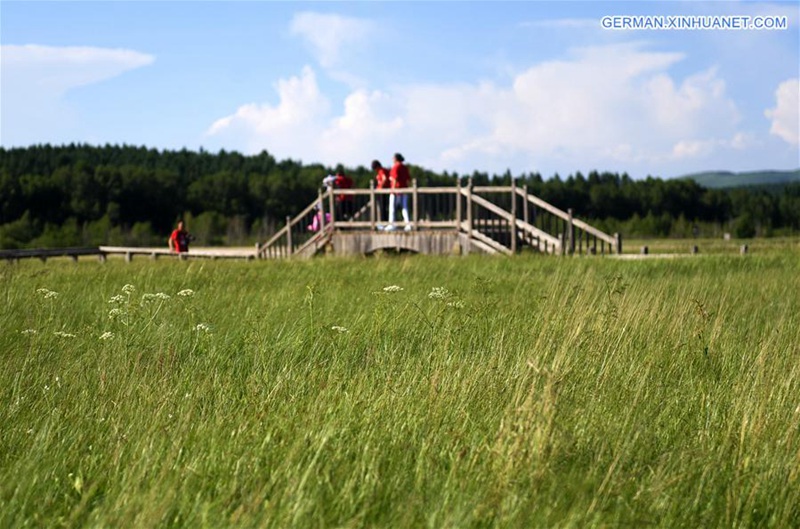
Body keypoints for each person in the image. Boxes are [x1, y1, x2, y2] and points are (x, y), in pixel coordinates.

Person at [387, 153, 411, 231]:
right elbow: (408, 180)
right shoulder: (405, 167)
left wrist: (393, 190)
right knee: (404, 208)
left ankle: (392, 225)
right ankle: (408, 224)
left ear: (396, 159)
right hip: (404, 190)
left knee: (392, 209)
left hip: (396, 191)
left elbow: (395, 179)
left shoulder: (396, 167)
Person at [372, 160, 390, 227]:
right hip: (382, 192)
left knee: (383, 208)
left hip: (383, 192)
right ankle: (383, 223)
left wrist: (380, 188)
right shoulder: (381, 171)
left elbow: (384, 179)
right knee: (383, 208)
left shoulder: (381, 171)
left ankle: (384, 223)